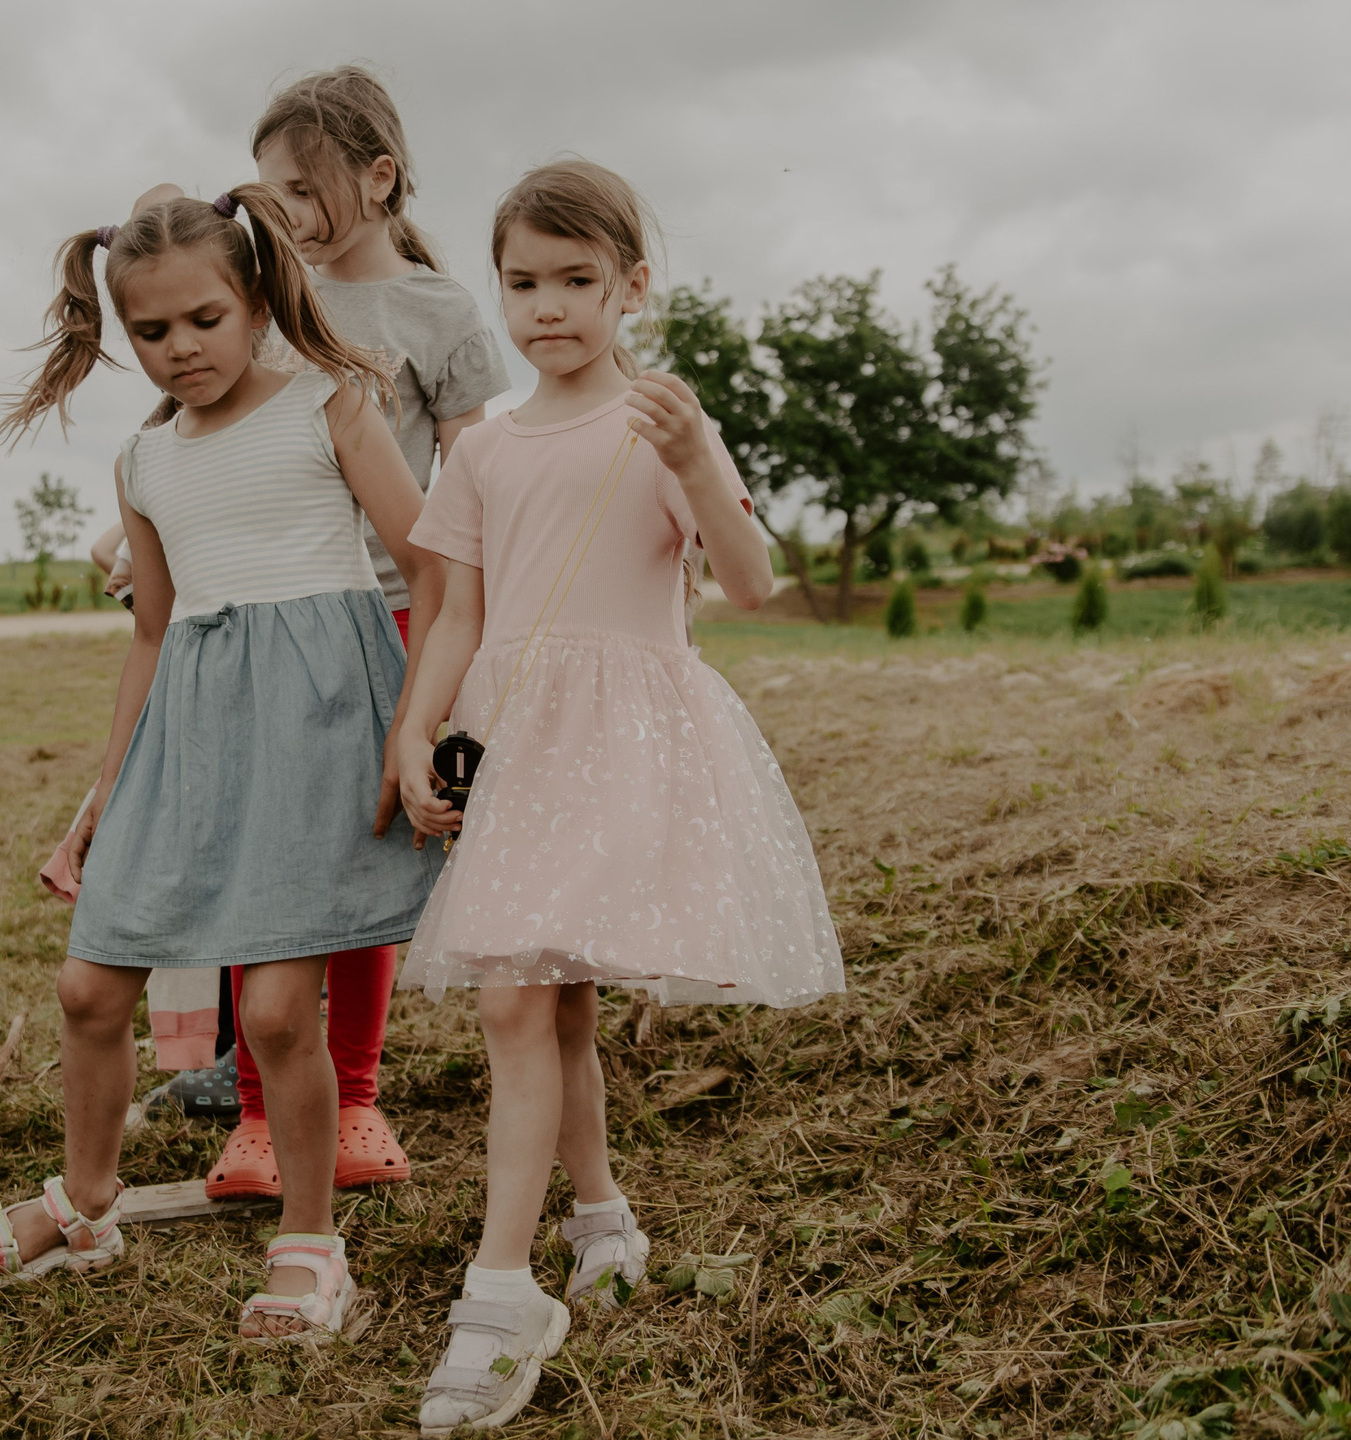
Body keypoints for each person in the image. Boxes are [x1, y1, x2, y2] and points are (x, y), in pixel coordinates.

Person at [391, 161, 845, 1433]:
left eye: (576, 281)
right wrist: (423, 720)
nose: (547, 307)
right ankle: (600, 1217)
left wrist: (698, 456)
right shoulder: (477, 446)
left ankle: (498, 1294)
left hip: (625, 741)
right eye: (523, 283)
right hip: (516, 741)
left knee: (518, 998)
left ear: (631, 286)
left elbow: (750, 582)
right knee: (549, 1001)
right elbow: (459, 612)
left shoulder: (656, 426)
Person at [0, 186, 441, 1343]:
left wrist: (415, 724)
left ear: (258, 299)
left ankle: (311, 1244)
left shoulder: (330, 406)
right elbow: (154, 632)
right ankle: (86, 1202)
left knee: (274, 1014)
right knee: (87, 987)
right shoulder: (144, 462)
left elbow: (433, 570)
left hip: (316, 729)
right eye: (153, 332)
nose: (181, 349)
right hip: (188, 738)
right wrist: (102, 797)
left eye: (205, 320)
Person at [182, 64, 513, 1199]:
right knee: (258, 855)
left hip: (392, 616)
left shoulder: (438, 311)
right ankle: (261, 1112)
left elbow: (473, 472)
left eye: (299, 188)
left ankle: (357, 1097)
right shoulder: (264, 305)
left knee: (367, 858)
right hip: (271, 611)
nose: (277, 213)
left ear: (378, 178)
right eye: (263, 190)